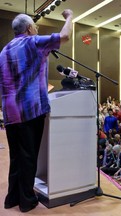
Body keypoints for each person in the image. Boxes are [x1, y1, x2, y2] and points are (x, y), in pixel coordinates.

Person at [0, 10, 73, 212]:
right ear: (29, 28)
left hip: (9, 112)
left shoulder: (4, 51)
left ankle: (12, 198)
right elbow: (65, 36)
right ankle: (26, 200)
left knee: (17, 156)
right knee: (29, 156)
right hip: (30, 110)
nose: (36, 29)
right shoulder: (33, 42)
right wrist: (69, 17)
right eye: (35, 26)